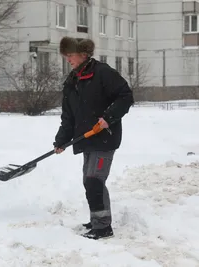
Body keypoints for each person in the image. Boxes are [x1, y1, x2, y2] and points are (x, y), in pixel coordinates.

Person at [53, 36, 134, 240]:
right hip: (86, 138)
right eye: (66, 56)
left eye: (70, 55)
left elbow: (125, 95)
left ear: (83, 54)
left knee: (94, 180)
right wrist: (61, 140)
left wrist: (109, 117)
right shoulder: (72, 81)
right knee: (89, 181)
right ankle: (97, 220)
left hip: (104, 136)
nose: (68, 60)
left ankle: (103, 227)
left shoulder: (103, 73)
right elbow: (68, 116)